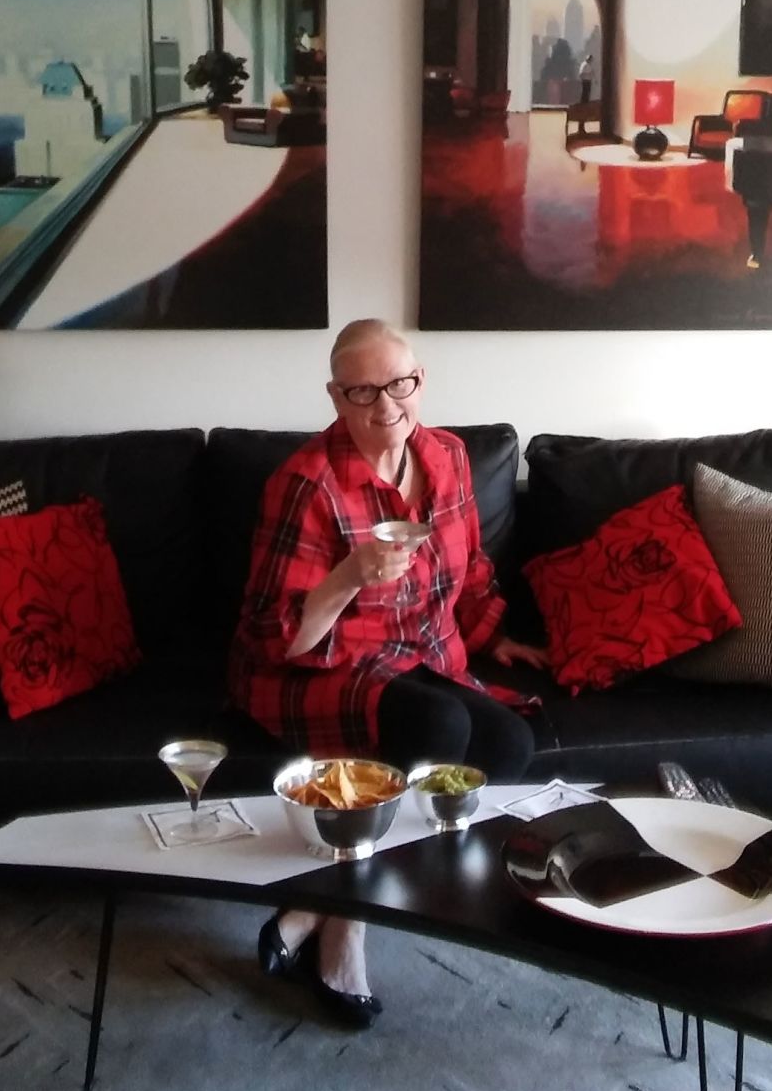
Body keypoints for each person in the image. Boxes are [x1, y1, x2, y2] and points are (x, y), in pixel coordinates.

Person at [228, 317, 546, 1028]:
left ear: (419, 380)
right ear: (337, 397)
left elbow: (471, 577)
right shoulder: (306, 482)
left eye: (398, 384)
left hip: (421, 653)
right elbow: (278, 635)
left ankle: (313, 901)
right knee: (438, 723)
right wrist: (346, 575)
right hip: (318, 666)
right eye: (363, 391)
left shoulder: (449, 458)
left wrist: (497, 636)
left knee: (509, 745)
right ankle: (351, 925)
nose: (386, 405)